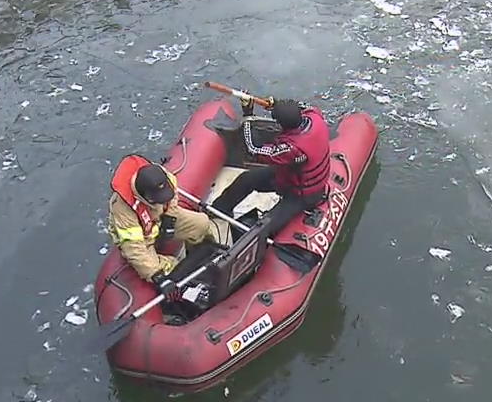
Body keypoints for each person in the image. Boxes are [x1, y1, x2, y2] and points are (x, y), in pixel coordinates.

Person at [210, 98, 331, 239]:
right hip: (289, 177)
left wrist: (248, 115)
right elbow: (303, 105)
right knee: (246, 179)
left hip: (301, 195)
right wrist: (276, 104)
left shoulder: (293, 149)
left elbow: (253, 149)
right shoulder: (315, 117)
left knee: (264, 227)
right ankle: (219, 209)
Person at [107, 155, 218, 300]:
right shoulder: (123, 208)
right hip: (142, 237)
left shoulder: (162, 176)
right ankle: (183, 284)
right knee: (168, 269)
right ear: (147, 198)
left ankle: (200, 252)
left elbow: (172, 198)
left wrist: (169, 220)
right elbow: (133, 247)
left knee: (201, 224)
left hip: (160, 219)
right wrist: (157, 277)